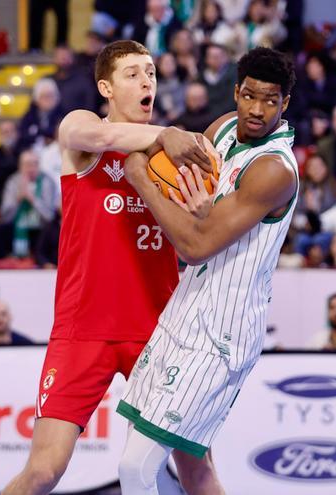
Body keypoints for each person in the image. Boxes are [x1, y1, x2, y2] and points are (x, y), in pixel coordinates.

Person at [3, 39, 220, 495]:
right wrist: (167, 133)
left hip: (158, 331)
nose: (146, 82)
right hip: (84, 329)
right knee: (43, 471)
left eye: (151, 73)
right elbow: (101, 138)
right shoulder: (82, 127)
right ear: (106, 87)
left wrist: (204, 210)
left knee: (197, 471)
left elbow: (200, 237)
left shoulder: (174, 156)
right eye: (133, 74)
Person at [117, 47, 299, 492]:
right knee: (193, 470)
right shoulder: (223, 129)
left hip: (222, 335)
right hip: (184, 310)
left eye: (270, 100)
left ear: (285, 103)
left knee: (136, 468)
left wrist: (140, 176)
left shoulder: (274, 169)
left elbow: (196, 246)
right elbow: (170, 160)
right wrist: (167, 139)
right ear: (235, 92)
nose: (257, 110)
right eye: (249, 96)